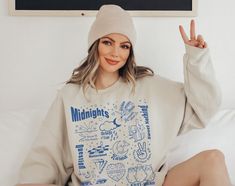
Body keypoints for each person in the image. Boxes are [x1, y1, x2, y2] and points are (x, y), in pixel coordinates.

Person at [17, 4, 231, 186]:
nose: (115, 53)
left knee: (213, 159)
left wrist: (196, 58)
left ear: (130, 51)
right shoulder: (70, 96)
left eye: (124, 46)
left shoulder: (151, 87)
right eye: (108, 42)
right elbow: (44, 162)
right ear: (95, 44)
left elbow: (204, 108)